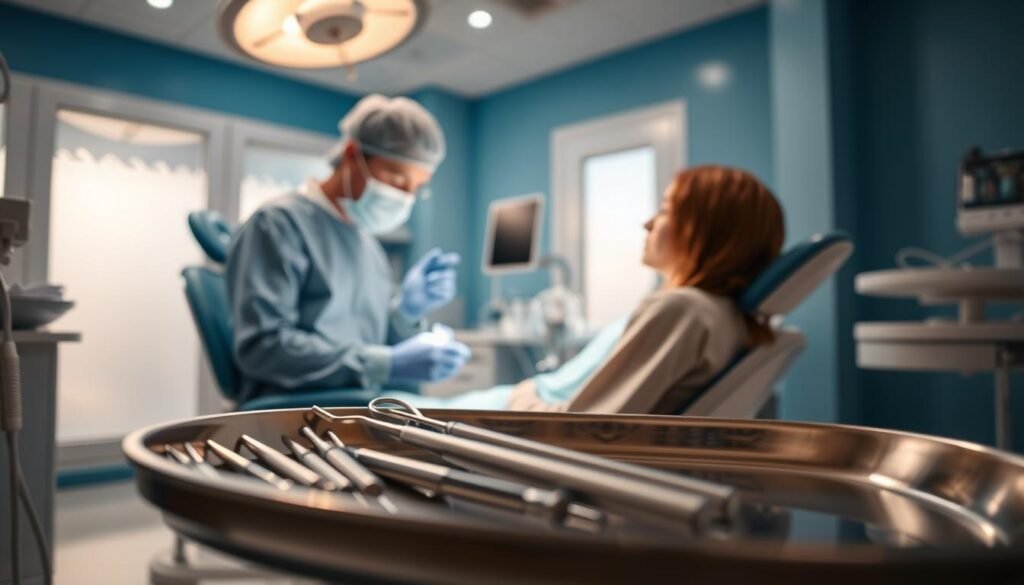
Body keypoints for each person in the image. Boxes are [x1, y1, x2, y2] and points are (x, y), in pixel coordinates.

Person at [385, 165, 785, 414]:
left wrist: (517, 397)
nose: (648, 222)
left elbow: (584, 425)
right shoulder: (718, 314)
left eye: (665, 209)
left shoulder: (681, 308)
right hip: (520, 403)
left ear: (705, 229)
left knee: (371, 409)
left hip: (519, 412)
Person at [226, 94, 470, 402]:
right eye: (397, 179)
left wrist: (406, 312)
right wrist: (386, 364)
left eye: (416, 189)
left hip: (355, 408)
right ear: (353, 154)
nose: (405, 197)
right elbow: (262, 347)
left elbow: (373, 344)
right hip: (293, 416)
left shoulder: (368, 244)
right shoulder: (278, 224)